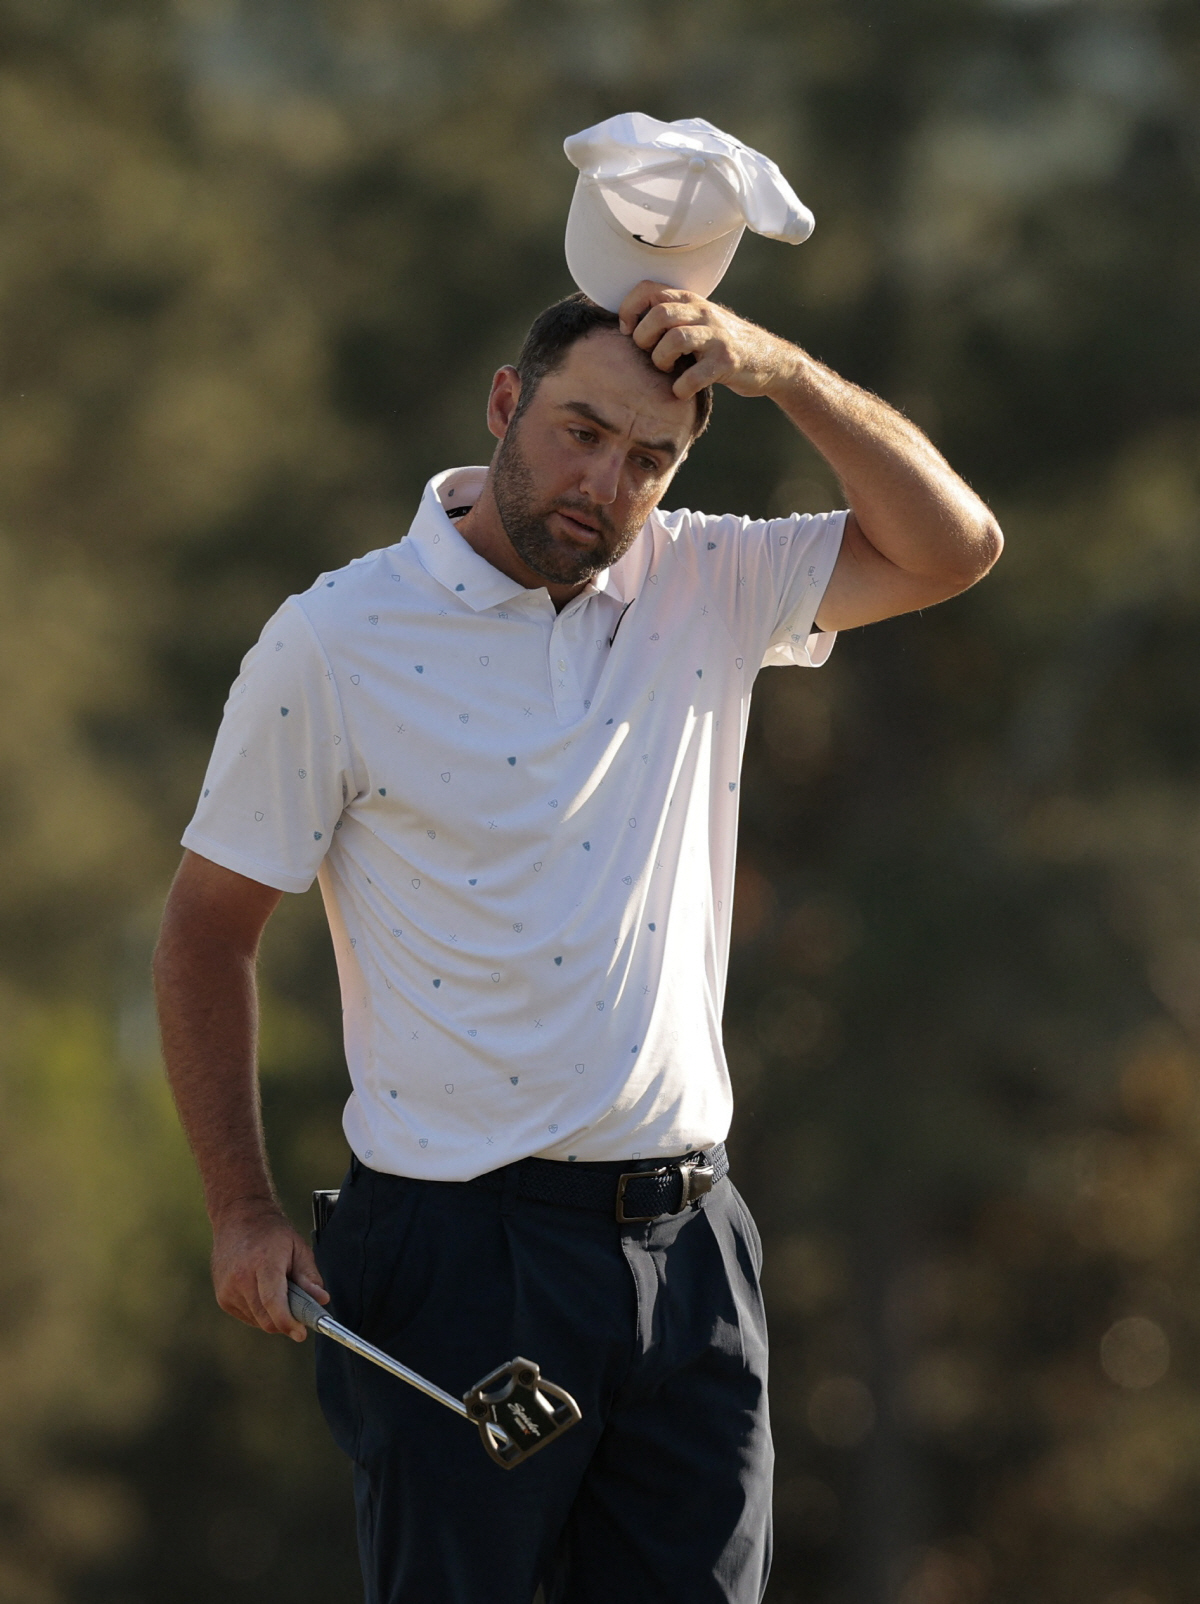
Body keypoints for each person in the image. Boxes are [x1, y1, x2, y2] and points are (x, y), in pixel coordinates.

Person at [154, 281, 1002, 1604]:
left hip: (693, 1243)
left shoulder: (711, 580)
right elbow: (206, 930)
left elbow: (957, 549)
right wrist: (240, 1209)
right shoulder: (331, 641)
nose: (604, 484)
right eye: (579, 433)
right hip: (453, 1254)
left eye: (649, 458)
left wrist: (787, 373)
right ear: (505, 404)